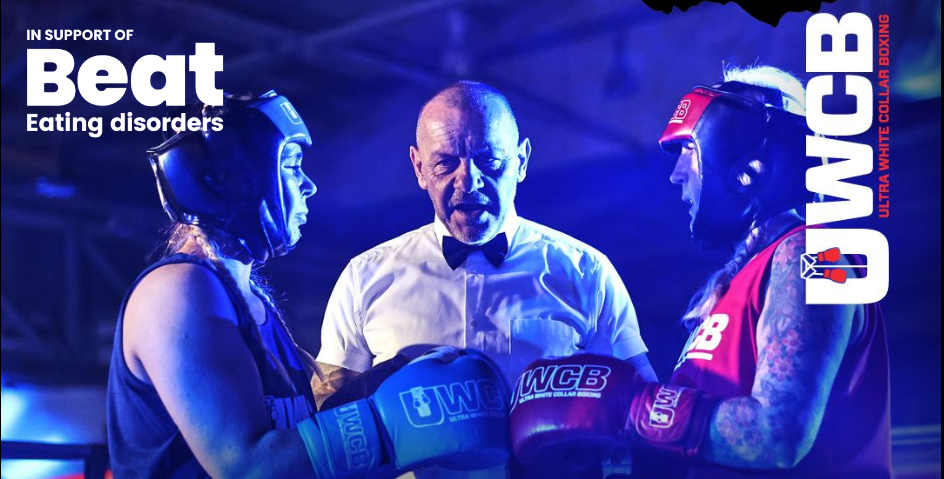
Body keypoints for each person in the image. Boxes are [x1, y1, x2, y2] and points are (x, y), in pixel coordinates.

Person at [509, 66, 891, 479]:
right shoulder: (735, 287)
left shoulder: (814, 256)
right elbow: (695, 445)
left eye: (689, 151)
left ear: (748, 162)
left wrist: (627, 407)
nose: (676, 175)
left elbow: (779, 434)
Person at [106, 91, 511, 479]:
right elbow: (246, 467)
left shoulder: (248, 298)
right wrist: (394, 424)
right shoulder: (179, 290)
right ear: (237, 180)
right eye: (291, 165)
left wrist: (382, 384)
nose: (307, 185)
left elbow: (299, 445)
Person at [314, 81, 656, 477]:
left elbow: (644, 412)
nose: (468, 180)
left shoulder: (586, 271)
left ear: (522, 161)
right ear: (419, 168)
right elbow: (325, 424)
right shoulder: (365, 277)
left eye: (489, 160)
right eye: (445, 162)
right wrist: (380, 402)